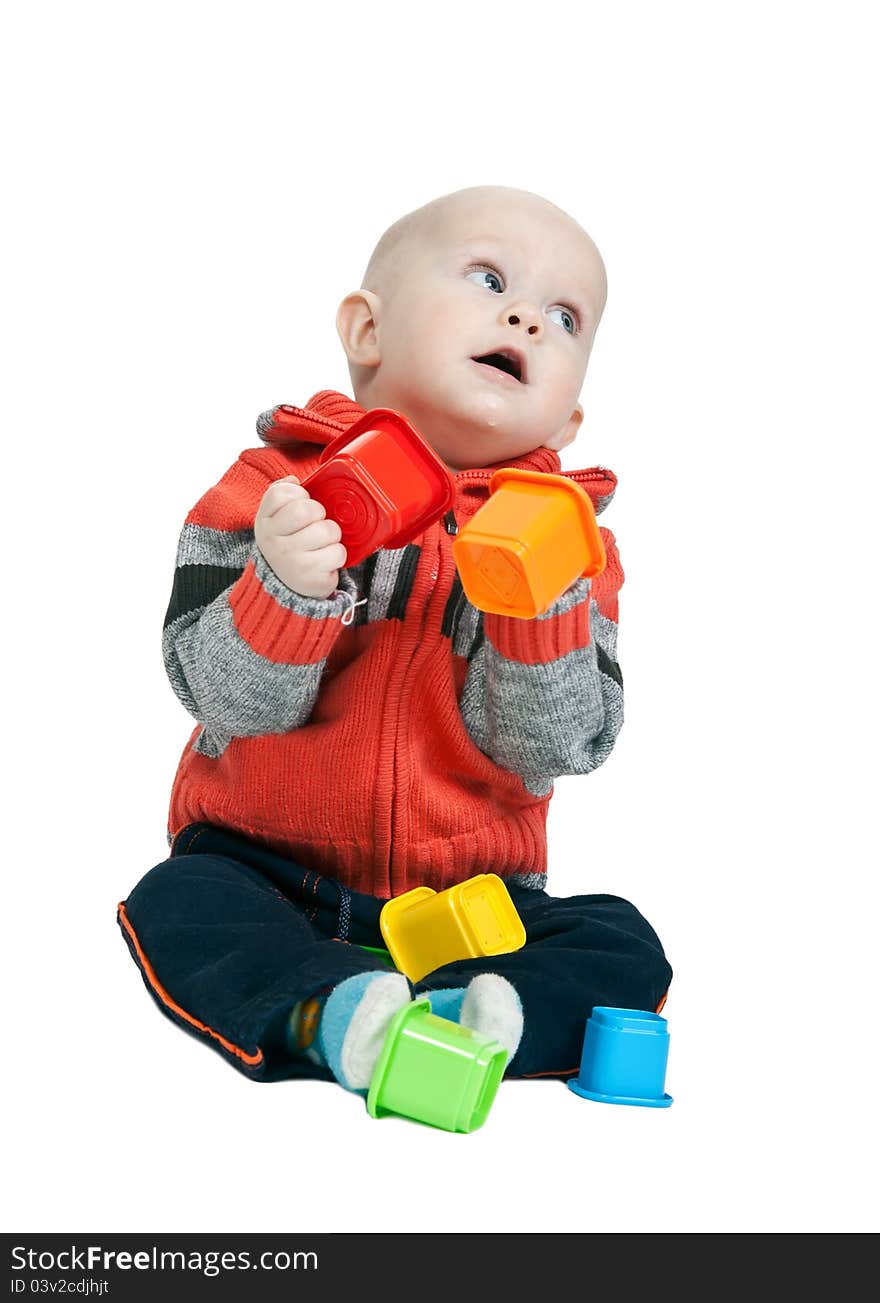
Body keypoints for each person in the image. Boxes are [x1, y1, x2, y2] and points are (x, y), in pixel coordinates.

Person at [118, 185, 672, 1092]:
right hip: (265, 875)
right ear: (368, 332)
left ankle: (477, 1018)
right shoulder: (271, 491)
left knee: (620, 940)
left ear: (568, 421)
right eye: (490, 277)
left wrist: (537, 612)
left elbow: (556, 747)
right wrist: (288, 587)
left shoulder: (576, 552)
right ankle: (331, 1013)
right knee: (177, 902)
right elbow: (223, 700)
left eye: (565, 317)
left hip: (472, 907)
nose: (527, 317)